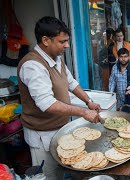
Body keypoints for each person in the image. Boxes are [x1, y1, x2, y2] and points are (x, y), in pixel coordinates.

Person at [17, 16, 103, 178]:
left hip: (61, 129)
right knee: (49, 176)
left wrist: (88, 102)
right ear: (46, 40)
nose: (67, 45)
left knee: (65, 171)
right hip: (42, 136)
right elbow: (46, 104)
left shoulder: (56, 59)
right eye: (62, 41)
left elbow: (71, 83)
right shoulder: (32, 66)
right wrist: (83, 112)